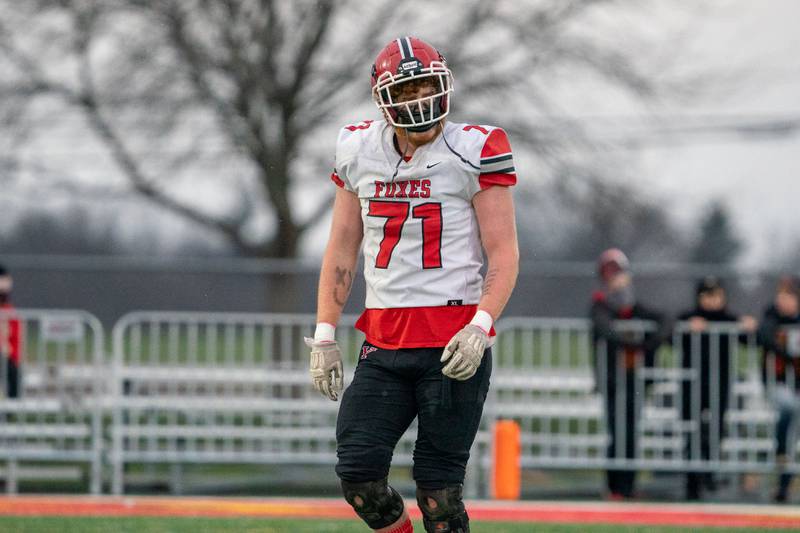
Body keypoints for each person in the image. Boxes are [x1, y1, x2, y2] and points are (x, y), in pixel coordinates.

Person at [305, 36, 519, 533]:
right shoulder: (359, 149)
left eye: (427, 86)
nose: (419, 99)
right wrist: (323, 334)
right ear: (384, 99)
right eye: (407, 90)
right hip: (383, 340)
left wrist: (481, 324)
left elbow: (504, 253)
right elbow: (340, 250)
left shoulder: (475, 148)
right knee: (359, 476)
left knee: (439, 494)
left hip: (452, 340)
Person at [590, 248, 668, 500]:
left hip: (635, 380)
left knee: (632, 432)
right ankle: (614, 487)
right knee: (617, 431)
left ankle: (629, 486)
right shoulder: (600, 305)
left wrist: (649, 344)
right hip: (612, 380)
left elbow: (664, 320)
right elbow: (604, 329)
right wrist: (633, 344)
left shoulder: (634, 307)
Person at [676, 276, 757, 500]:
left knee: (715, 429)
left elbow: (751, 338)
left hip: (719, 384)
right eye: (707, 295)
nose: (712, 300)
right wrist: (686, 328)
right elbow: (671, 335)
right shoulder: (687, 318)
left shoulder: (729, 319)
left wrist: (750, 326)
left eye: (716, 295)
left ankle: (709, 473)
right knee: (692, 430)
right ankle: (693, 481)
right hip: (691, 384)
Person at [757, 276, 800, 503]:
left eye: (789, 296)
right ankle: (782, 456)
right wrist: (786, 352)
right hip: (780, 383)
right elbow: (763, 334)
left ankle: (784, 479)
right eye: (781, 296)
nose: (783, 301)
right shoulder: (771, 316)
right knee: (788, 409)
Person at [0, 264, 21, 398]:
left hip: (7, 358)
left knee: (12, 377)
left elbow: (15, 337)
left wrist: (14, 358)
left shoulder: (9, 311)